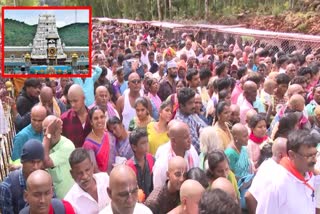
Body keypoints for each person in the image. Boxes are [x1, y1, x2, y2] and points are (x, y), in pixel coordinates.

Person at [257, 130, 318, 213]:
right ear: (292, 155)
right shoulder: (277, 183)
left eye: (315, 154)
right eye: (309, 156)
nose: (314, 160)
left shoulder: (311, 177)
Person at [0, 139, 44, 214]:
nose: (36, 167)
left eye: (39, 162)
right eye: (32, 162)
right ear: (23, 162)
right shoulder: (8, 187)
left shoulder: (45, 179)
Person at [245, 137, 287, 214]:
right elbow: (249, 196)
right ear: (280, 155)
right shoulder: (272, 170)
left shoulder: (269, 164)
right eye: (288, 154)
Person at [153, 121, 199, 189]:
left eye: (189, 135)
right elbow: (158, 190)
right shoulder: (162, 163)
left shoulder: (192, 151)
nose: (189, 140)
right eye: (185, 137)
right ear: (174, 141)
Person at [64, 148, 111, 213]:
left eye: (87, 170)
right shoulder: (70, 201)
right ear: (72, 174)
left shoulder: (106, 180)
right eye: (79, 173)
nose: (85, 176)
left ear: (92, 166)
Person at [42, 115, 75, 199]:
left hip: (67, 198)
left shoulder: (67, 146)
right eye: (45, 130)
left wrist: (48, 134)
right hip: (52, 198)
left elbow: (45, 162)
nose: (48, 133)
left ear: (60, 130)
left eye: (53, 130)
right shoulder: (45, 144)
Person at [83, 106, 116, 173]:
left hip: (116, 174)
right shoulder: (88, 144)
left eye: (102, 117)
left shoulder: (109, 135)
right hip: (102, 180)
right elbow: (94, 169)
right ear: (91, 122)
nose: (99, 120)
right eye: (96, 118)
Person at [174, 87, 206, 153]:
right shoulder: (180, 123)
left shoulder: (189, 115)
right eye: (190, 103)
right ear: (181, 105)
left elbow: (200, 127)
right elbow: (197, 147)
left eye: (193, 102)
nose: (194, 106)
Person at [126, 128, 155, 200]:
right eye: (143, 143)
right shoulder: (129, 167)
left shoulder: (151, 159)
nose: (146, 145)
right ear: (134, 147)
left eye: (147, 142)